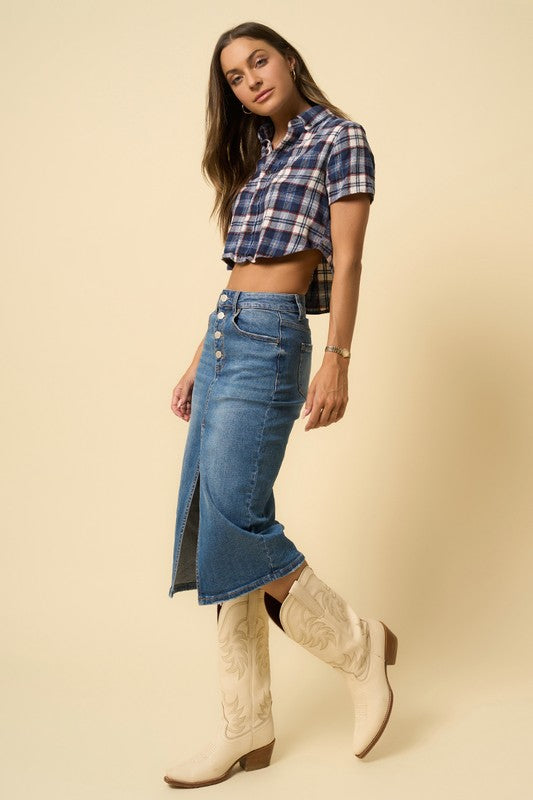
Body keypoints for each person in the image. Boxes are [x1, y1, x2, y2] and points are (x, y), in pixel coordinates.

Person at [164, 21, 397, 789]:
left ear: (289, 59)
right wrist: (197, 359)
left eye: (258, 61)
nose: (250, 80)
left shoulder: (339, 139)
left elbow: (348, 259)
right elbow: (239, 271)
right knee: (217, 531)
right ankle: (247, 727)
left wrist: (337, 357)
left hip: (272, 339)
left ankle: (358, 647)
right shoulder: (259, 154)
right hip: (225, 334)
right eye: (234, 77)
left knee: (235, 519)